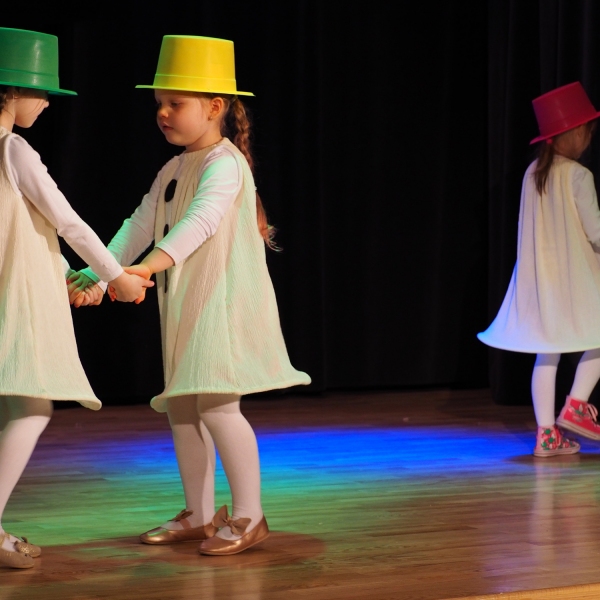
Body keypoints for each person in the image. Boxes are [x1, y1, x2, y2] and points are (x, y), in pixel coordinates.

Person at [70, 35, 311, 555]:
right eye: (159, 103)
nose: (162, 113)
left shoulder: (226, 164)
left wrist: (144, 267)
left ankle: (250, 515)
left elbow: (198, 224)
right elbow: (139, 223)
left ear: (215, 107)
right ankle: (200, 514)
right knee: (182, 409)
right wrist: (99, 274)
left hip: (222, 307)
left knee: (219, 407)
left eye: (175, 103)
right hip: (186, 307)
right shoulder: (175, 168)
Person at [0, 28, 154, 569]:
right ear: (10, 92)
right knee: (32, 405)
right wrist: (116, 279)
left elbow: (24, 231)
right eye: (40, 92)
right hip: (11, 302)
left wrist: (68, 275)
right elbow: (67, 222)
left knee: (16, 404)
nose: (45, 103)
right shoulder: (13, 149)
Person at [478, 82, 600, 458]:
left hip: (542, 280)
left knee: (547, 353)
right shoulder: (578, 176)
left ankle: (547, 434)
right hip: (578, 278)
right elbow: (595, 232)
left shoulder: (533, 172)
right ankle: (577, 405)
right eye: (588, 132)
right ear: (576, 133)